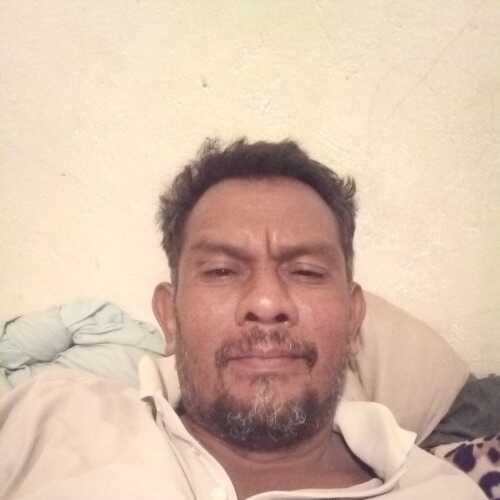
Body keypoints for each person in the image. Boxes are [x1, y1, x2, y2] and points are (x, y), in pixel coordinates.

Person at [0, 139, 486, 499]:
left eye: (306, 271)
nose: (267, 302)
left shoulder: (444, 492)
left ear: (354, 316)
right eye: (221, 270)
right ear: (169, 315)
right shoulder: (44, 418)